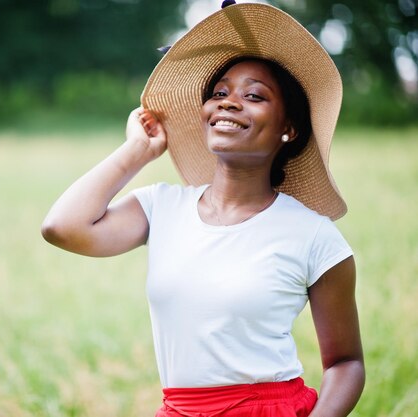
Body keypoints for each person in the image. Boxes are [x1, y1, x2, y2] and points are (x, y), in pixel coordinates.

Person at [41, 2, 365, 416]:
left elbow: (346, 363)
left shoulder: (314, 236)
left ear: (288, 128)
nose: (228, 103)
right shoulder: (161, 207)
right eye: (219, 93)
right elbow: (61, 227)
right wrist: (136, 152)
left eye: (254, 96)